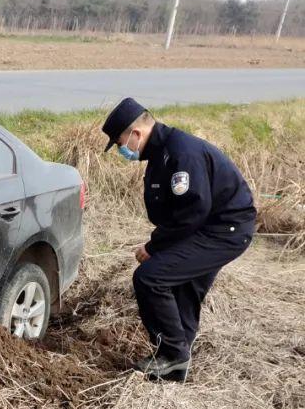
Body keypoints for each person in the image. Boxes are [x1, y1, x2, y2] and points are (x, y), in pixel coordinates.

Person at [101, 97, 256, 380]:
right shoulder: (162, 153)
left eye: (120, 141)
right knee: (183, 286)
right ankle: (175, 367)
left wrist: (154, 246)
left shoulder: (181, 154)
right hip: (209, 227)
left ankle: (172, 354)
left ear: (136, 134)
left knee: (150, 277)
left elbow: (193, 211)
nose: (121, 149)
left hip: (224, 230)